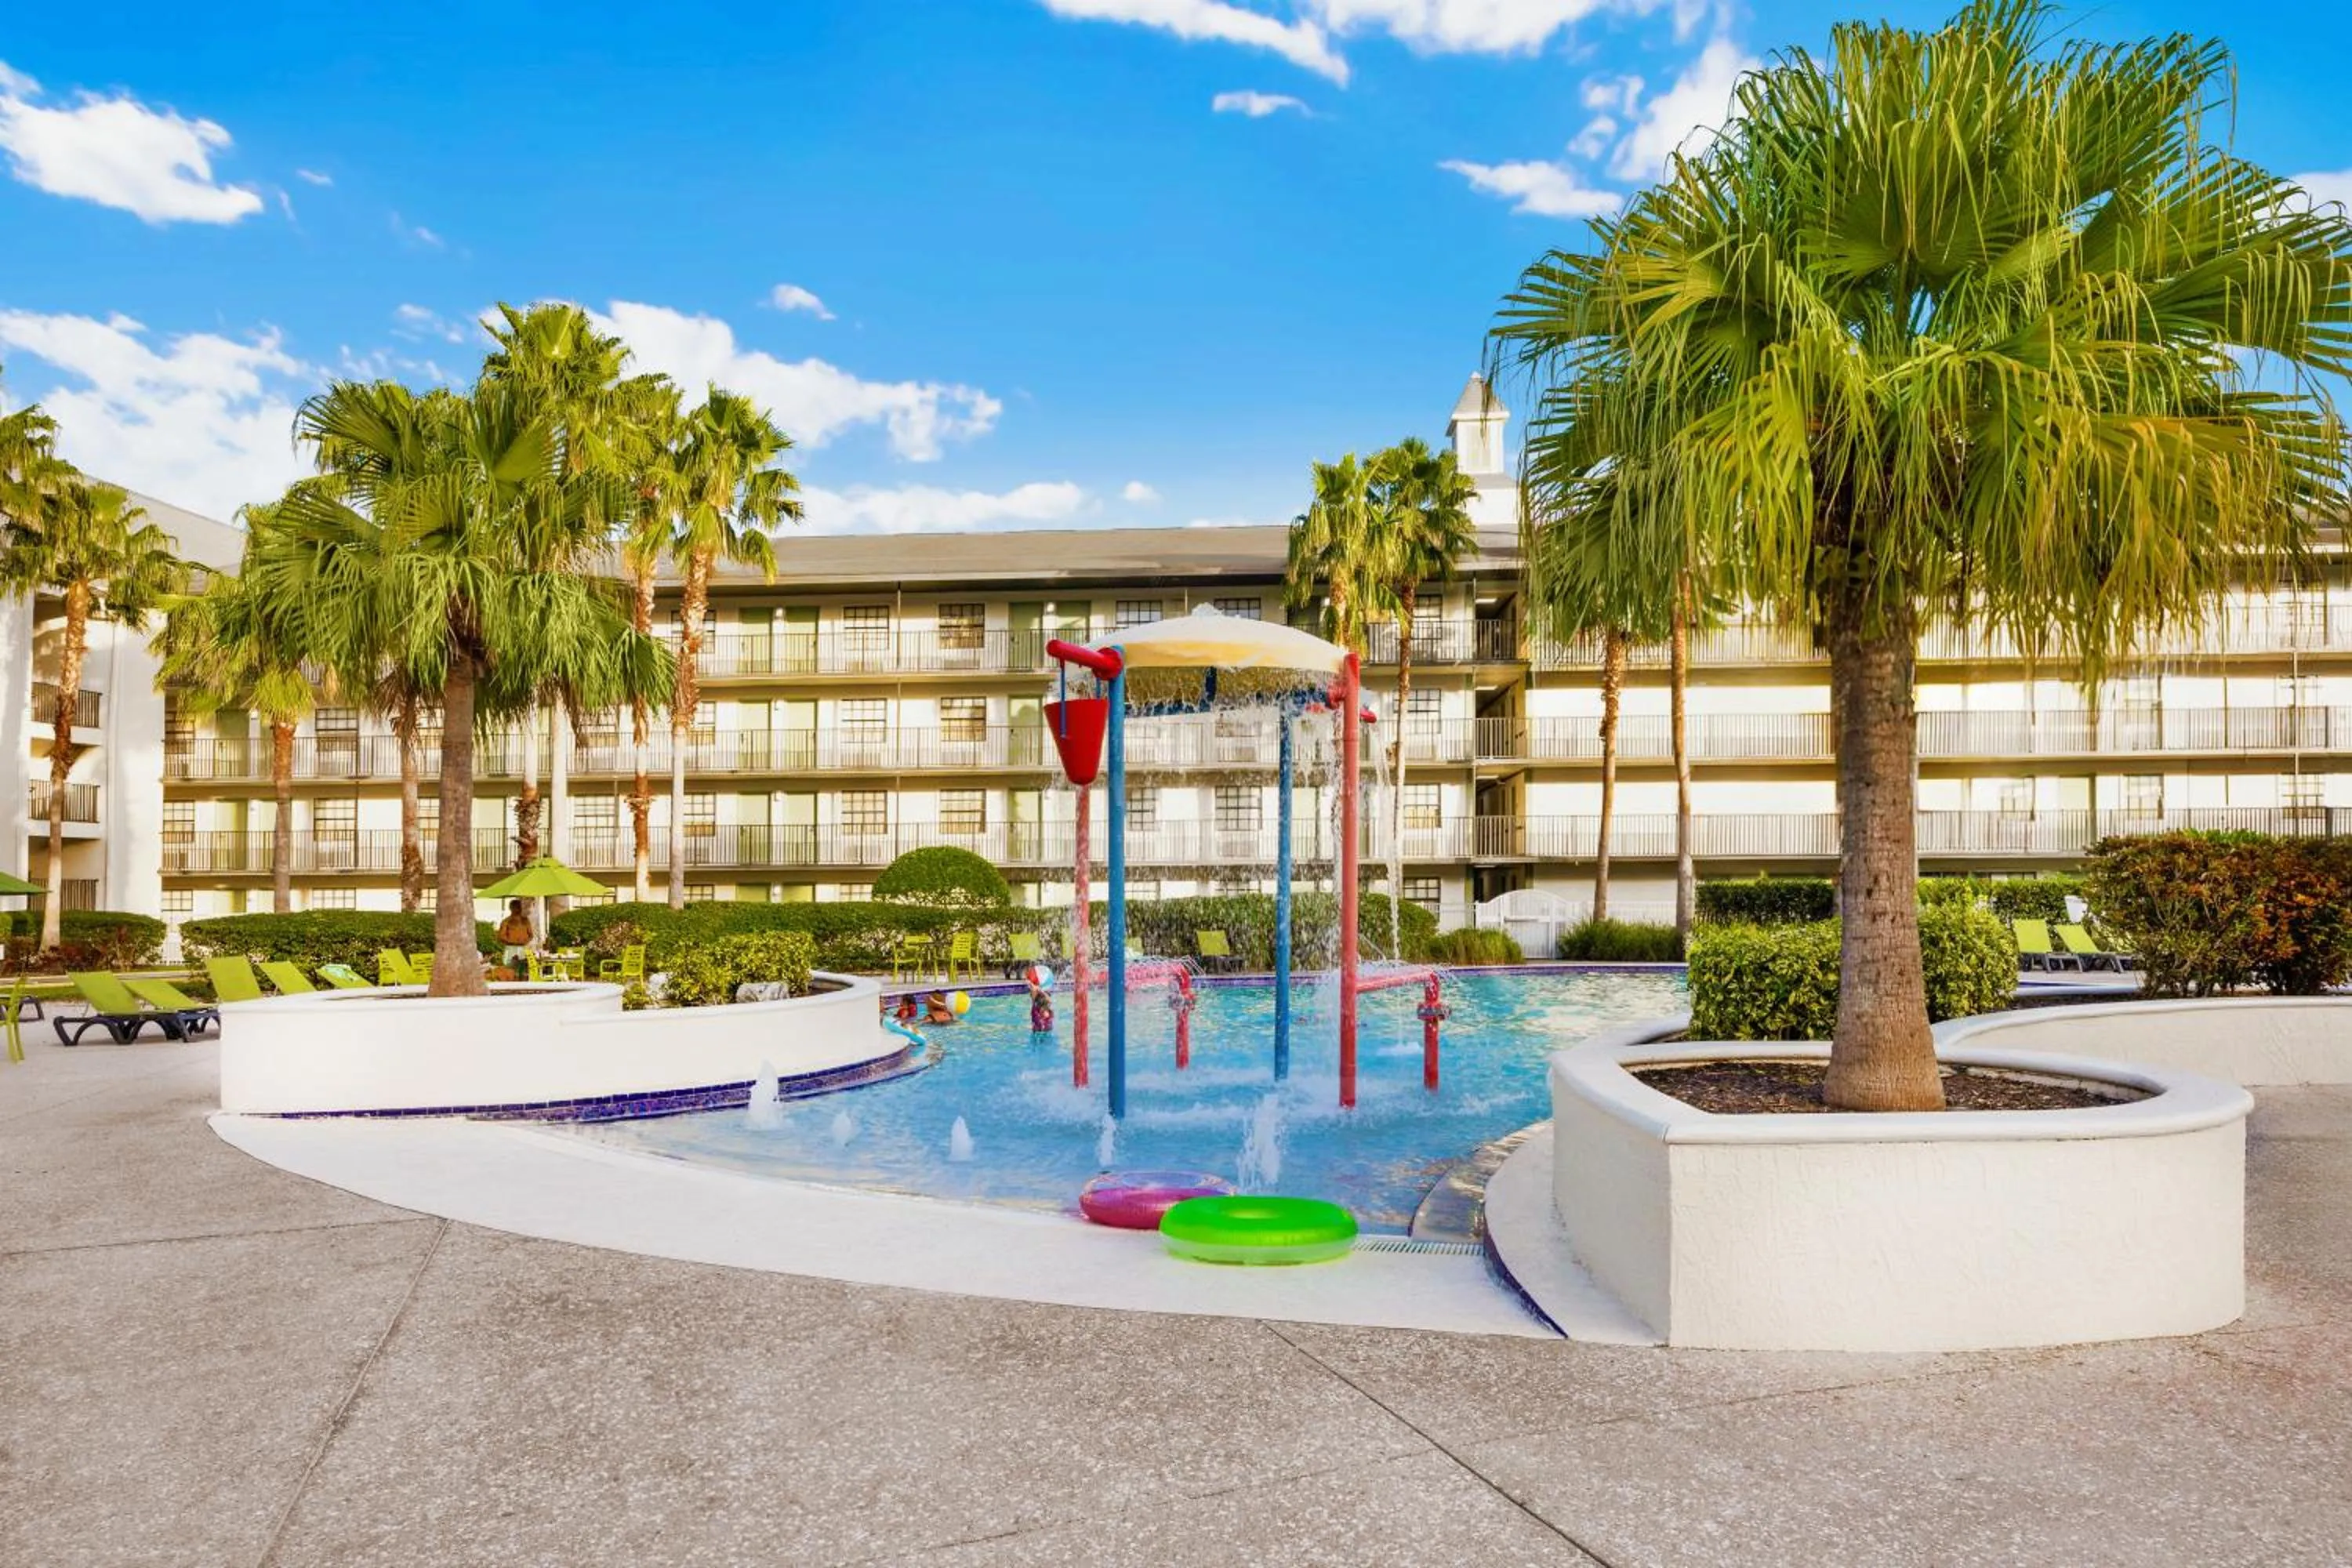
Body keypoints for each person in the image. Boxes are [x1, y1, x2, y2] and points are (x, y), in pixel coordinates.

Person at [496, 899, 535, 964]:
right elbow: (501, 936)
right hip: (510, 948)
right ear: (511, 908)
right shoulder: (506, 921)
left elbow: (531, 935)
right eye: (516, 907)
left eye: (519, 907)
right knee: (509, 967)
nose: (518, 909)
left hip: (523, 948)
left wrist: (525, 941)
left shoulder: (526, 921)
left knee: (522, 968)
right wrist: (513, 942)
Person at [1027, 970, 1054, 1035]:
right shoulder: (1036, 1005)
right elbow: (1033, 990)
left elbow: (1049, 1000)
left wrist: (1040, 990)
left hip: (1042, 1033)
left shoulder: (1046, 1009)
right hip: (1039, 1033)